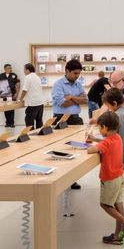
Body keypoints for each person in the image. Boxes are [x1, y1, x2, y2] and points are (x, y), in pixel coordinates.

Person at [94, 88, 124, 230]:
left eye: (108, 106)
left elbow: (111, 136)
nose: (108, 109)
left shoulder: (116, 117)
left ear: (114, 103)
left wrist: (96, 139)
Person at [87, 112, 124, 245]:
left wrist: (90, 144)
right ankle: (117, 235)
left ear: (105, 127)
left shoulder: (106, 142)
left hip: (110, 178)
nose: (99, 131)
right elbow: (106, 142)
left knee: (105, 204)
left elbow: (91, 150)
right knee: (118, 203)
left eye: (100, 128)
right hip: (121, 176)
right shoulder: (117, 137)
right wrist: (95, 139)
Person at [52, 59, 87, 190]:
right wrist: (76, 99)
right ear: (67, 71)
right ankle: (61, 179)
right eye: (75, 73)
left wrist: (70, 97)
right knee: (61, 149)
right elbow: (62, 103)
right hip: (61, 120)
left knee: (76, 149)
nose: (77, 76)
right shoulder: (58, 84)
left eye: (78, 73)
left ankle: (72, 179)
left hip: (76, 119)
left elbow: (85, 100)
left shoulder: (78, 84)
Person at [19, 63, 45, 130]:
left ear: (28, 70)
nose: (24, 72)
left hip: (33, 103)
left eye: (24, 70)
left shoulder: (28, 77)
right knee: (39, 122)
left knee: (29, 122)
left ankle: (31, 137)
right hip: (40, 103)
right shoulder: (37, 77)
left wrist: (20, 99)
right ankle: (40, 137)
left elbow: (25, 90)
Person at [0, 63, 20, 127]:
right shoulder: (0, 76)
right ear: (5, 69)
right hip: (4, 95)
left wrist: (17, 93)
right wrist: (0, 93)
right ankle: (7, 123)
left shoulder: (14, 75)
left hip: (12, 95)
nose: (10, 69)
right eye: (9, 68)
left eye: (11, 68)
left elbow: (18, 84)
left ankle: (12, 123)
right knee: (6, 109)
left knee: (12, 109)